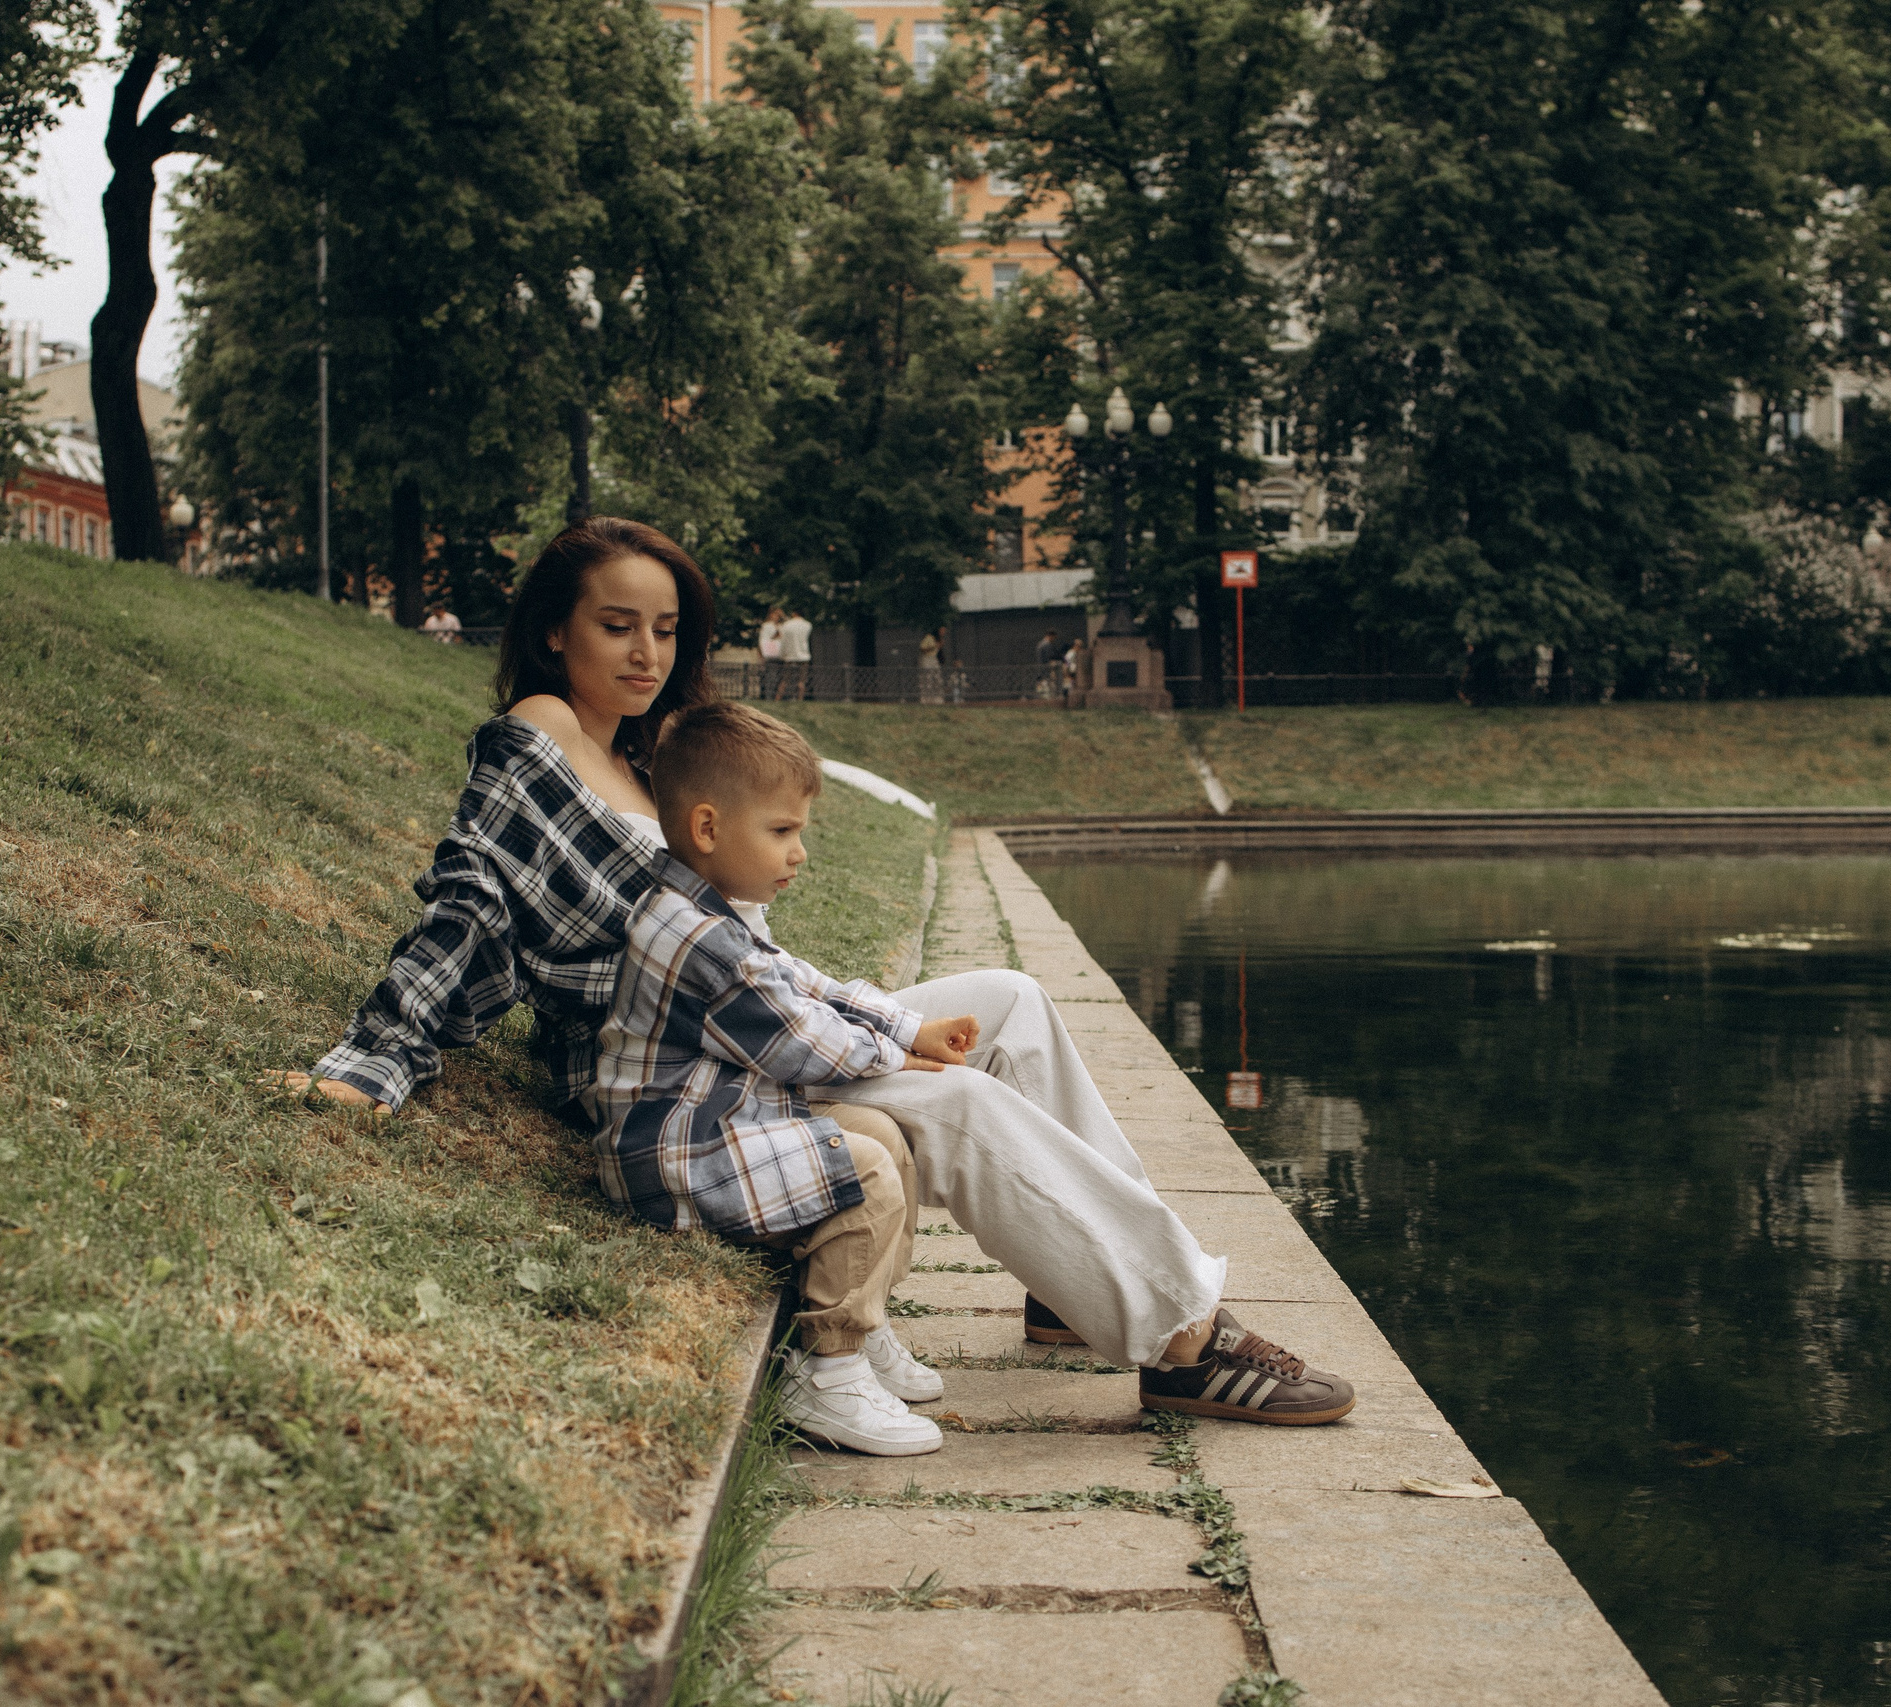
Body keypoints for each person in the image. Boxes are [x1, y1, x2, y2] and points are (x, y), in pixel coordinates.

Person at [275, 516, 1355, 1432]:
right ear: (552, 632)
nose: (646, 651)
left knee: (1011, 1003)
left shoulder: (649, 752)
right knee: (958, 1102)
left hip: (747, 1022)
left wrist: (870, 1012)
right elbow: (471, 903)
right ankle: (1179, 1334)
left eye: (665, 629)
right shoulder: (537, 738)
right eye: (616, 626)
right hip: (674, 1065)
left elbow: (751, 956)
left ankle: (1067, 1290)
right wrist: (376, 1060)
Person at [600, 702, 969, 1454]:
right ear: (707, 828)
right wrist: (895, 1057)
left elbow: (802, 981)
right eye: (782, 831)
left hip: (718, 1121)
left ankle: (864, 1329)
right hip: (675, 1153)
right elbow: (800, 1040)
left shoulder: (711, 909)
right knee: (861, 1168)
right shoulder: (696, 936)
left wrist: (904, 1027)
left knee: (882, 1134)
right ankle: (825, 1372)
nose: (799, 852)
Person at [777, 606, 813, 701]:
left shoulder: (787, 625)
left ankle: (777, 699)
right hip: (803, 655)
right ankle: (800, 699)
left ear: (794, 613)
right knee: (802, 681)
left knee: (785, 679)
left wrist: (782, 654)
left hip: (790, 655)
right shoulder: (808, 625)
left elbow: (784, 641)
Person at [757, 607, 784, 700]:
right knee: (770, 677)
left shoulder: (781, 626)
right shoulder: (767, 626)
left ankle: (776, 696)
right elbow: (763, 641)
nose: (777, 617)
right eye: (775, 614)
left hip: (780, 654)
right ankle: (768, 696)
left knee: (778, 677)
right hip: (770, 654)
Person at [917, 628, 944, 704]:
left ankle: (937, 698)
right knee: (927, 679)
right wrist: (934, 646)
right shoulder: (929, 637)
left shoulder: (939, 639)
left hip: (934, 659)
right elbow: (922, 648)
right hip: (927, 659)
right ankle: (926, 699)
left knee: (936, 678)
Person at [1035, 629, 1061, 699]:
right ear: (1051, 636)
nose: (1054, 640)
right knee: (1050, 691)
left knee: (1042, 691)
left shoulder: (1040, 644)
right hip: (1047, 670)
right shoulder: (1047, 645)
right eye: (1054, 637)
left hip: (1040, 670)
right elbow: (1050, 658)